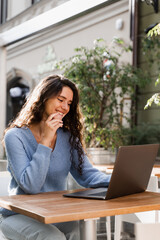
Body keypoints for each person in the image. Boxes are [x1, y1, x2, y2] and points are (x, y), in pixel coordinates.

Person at [0, 74, 111, 240]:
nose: (65, 107)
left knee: (78, 228)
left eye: (69, 103)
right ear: (44, 98)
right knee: (53, 237)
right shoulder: (15, 137)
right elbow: (31, 186)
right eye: (61, 99)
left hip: (53, 213)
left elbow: (87, 174)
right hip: (18, 216)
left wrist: (118, 180)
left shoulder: (68, 137)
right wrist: (45, 141)